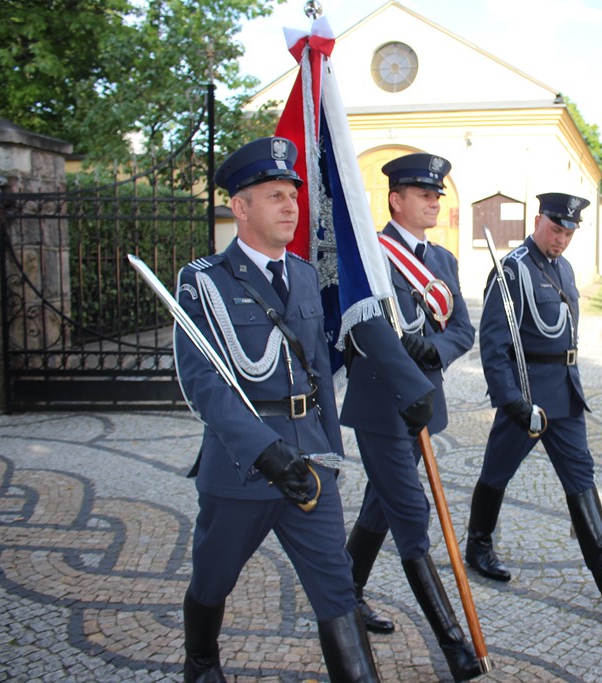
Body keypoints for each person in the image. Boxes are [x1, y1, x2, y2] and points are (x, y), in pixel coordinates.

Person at [173, 137, 379, 682]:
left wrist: (329, 452)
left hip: (309, 462)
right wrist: (266, 452)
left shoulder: (306, 276)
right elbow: (203, 383)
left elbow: (319, 375)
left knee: (337, 587)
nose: (291, 206)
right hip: (242, 466)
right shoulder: (204, 282)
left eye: (293, 195)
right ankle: (201, 662)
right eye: (275, 196)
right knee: (213, 579)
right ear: (240, 207)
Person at [464, 192, 602, 599]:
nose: (561, 239)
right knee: (498, 470)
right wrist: (511, 401)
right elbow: (494, 345)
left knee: (580, 473)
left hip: (566, 392)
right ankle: (478, 546)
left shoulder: (564, 269)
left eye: (569, 233)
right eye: (555, 230)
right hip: (528, 395)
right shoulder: (513, 271)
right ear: (538, 221)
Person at [339, 152, 482, 681]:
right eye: (424, 194)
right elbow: (365, 328)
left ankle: (347, 594)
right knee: (410, 511)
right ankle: (454, 644)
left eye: (437, 194)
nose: (434, 202)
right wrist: (408, 360)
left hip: (422, 403)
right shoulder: (370, 256)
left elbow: (462, 329)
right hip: (380, 406)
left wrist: (435, 351)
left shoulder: (442, 260)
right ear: (395, 200)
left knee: (381, 504)